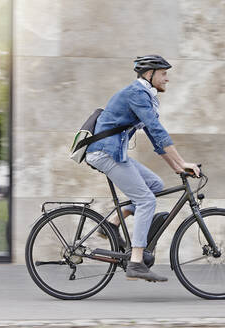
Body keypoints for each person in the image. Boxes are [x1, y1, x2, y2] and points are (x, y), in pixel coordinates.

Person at [85, 55, 200, 282]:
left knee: (155, 185)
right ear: (150, 74)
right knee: (147, 200)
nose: (167, 79)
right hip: (104, 152)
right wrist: (183, 162)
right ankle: (136, 262)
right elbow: (157, 130)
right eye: (164, 73)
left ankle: (112, 223)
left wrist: (178, 167)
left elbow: (156, 140)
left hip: (113, 152)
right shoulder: (137, 93)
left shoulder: (143, 96)